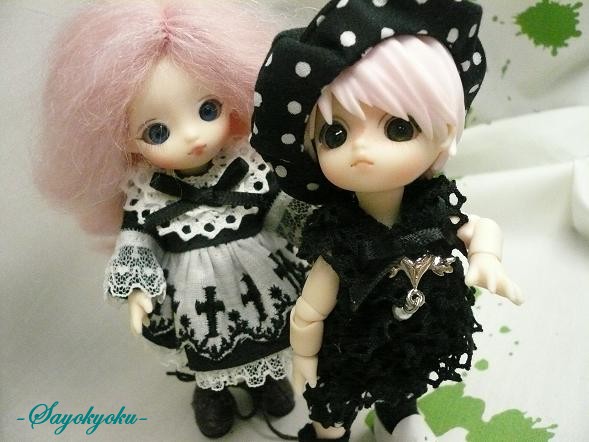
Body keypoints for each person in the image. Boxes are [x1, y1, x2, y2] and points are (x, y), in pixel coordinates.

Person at [250, 0, 523, 440]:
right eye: (336, 134)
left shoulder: (432, 211)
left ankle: (395, 417)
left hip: (412, 338)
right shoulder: (341, 237)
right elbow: (311, 309)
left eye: (398, 128)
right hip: (348, 345)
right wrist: (304, 357)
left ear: (442, 133)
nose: (361, 150)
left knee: (403, 383)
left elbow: (478, 227)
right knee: (332, 419)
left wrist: (486, 257)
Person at [35, 1, 307, 438]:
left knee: (271, 329)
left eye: (208, 109)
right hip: (194, 294)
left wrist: (314, 234)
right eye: (158, 131)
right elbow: (136, 241)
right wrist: (137, 288)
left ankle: (268, 380)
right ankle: (213, 393)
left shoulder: (247, 168)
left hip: (260, 278)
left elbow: (279, 212)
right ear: (122, 140)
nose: (194, 136)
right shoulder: (148, 193)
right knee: (202, 346)